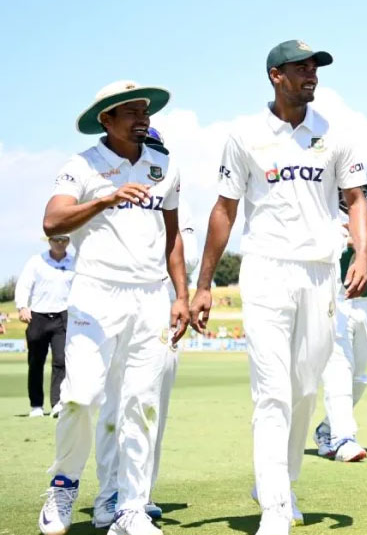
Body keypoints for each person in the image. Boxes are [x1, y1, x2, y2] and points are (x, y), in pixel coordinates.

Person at [190, 40, 367, 535]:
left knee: (305, 389)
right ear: (276, 76)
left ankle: (280, 484)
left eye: (315, 68)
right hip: (266, 269)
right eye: (301, 68)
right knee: (272, 391)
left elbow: (356, 199)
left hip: (319, 272)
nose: (312, 75)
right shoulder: (244, 134)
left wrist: (360, 253)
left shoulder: (335, 133)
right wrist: (203, 284)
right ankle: (274, 507)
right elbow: (225, 208)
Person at [37, 81, 191, 535]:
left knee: (142, 404)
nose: (143, 118)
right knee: (81, 397)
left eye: (146, 111)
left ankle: (130, 508)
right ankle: (63, 486)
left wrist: (181, 296)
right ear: (106, 119)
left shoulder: (165, 165)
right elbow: (52, 221)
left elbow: (173, 236)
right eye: (132, 112)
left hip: (150, 297)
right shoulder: (81, 165)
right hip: (96, 293)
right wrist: (105, 198)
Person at [91, 127, 201, 522]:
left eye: (153, 151)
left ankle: (138, 493)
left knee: (149, 407)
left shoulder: (173, 196)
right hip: (113, 309)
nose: (147, 160)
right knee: (112, 406)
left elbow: (185, 256)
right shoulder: (105, 190)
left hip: (160, 311)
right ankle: (109, 495)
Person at [312, 184, 367, 462]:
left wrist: (362, 242)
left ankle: (327, 429)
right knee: (339, 366)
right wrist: (343, 241)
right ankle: (344, 437)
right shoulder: (325, 219)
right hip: (336, 301)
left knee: (359, 376)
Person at [15, 235, 75, 418]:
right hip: (38, 316)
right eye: (56, 240)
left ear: (68, 242)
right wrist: (22, 306)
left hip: (63, 316)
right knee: (36, 361)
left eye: (64, 240)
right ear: (49, 241)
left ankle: (57, 403)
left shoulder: (75, 262)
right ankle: (36, 405)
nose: (60, 243)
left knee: (61, 361)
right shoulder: (36, 261)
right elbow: (24, 285)